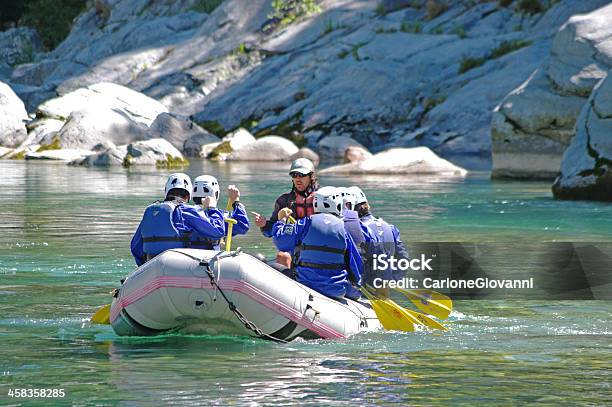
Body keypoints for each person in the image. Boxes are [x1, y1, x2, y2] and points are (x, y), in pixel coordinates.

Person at [271, 186, 363, 300]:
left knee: (272, 267)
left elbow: (282, 242)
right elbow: (355, 265)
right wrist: (357, 287)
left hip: (306, 285)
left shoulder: (306, 222)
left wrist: (282, 221)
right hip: (336, 290)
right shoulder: (343, 229)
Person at [130, 173, 226, 266]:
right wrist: (212, 208)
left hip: (152, 265)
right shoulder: (188, 210)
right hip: (181, 266)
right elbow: (218, 231)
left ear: (166, 192)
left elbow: (135, 247)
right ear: (188, 196)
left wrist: (143, 267)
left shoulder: (150, 211)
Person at [350, 186, 409, 296]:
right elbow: (403, 260)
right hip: (383, 291)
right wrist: (391, 280)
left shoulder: (358, 229)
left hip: (363, 292)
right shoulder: (391, 227)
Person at [252, 158, 319, 237]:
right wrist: (264, 225)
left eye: (301, 175)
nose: (297, 179)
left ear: (311, 176)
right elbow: (271, 232)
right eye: (294, 175)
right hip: (295, 246)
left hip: (319, 244)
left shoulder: (325, 198)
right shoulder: (284, 201)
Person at [191, 175, 249, 250]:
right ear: (215, 193)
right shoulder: (220, 216)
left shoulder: (184, 212)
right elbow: (243, 226)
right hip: (210, 257)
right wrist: (236, 201)